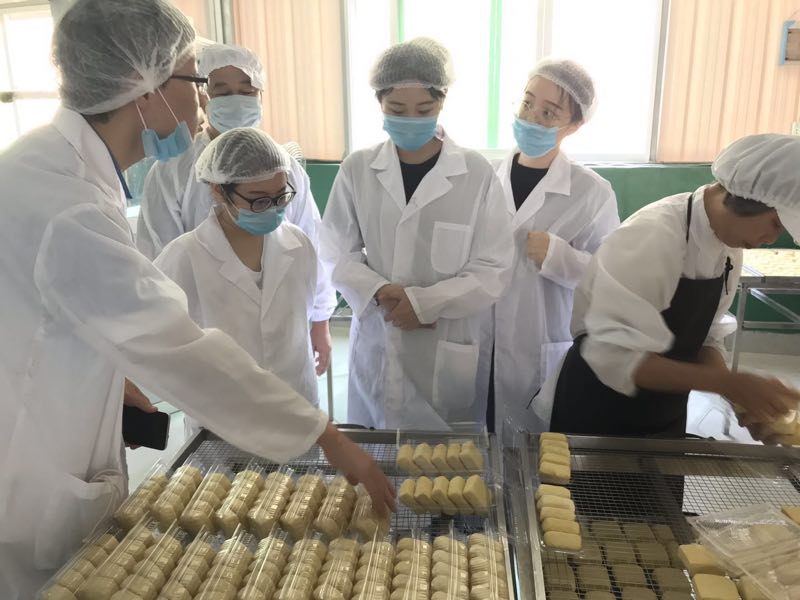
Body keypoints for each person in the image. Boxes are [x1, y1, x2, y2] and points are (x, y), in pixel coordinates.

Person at [0, 2, 392, 596]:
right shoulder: (69, 204)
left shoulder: (47, 168)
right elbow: (178, 345)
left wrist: (106, 376)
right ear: (145, 88)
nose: (203, 100)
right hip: (34, 462)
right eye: (195, 80)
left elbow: (50, 313)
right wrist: (328, 437)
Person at [539, 133, 800, 437]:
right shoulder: (654, 235)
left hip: (663, 413)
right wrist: (728, 383)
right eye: (775, 224)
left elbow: (707, 336)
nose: (771, 239)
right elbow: (612, 355)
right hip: (598, 411)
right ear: (746, 200)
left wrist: (743, 400)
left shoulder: (728, 247)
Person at [321, 37, 513, 430]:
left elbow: (493, 269)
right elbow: (334, 250)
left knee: (447, 462)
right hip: (379, 336)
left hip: (445, 345)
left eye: (423, 110)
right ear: (379, 103)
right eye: (396, 110)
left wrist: (426, 303)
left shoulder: (476, 174)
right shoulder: (358, 168)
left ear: (442, 101)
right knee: (374, 453)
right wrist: (379, 291)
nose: (410, 119)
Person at [136, 43, 336, 375]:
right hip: (208, 332)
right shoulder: (173, 170)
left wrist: (320, 320)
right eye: (223, 91)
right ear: (203, 96)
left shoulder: (284, 168)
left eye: (246, 90)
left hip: (288, 341)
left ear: (261, 95)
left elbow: (312, 243)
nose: (236, 100)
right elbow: (158, 257)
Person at [155, 128, 322, 438]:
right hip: (223, 421)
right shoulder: (184, 257)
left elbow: (307, 310)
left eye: (281, 196)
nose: (273, 209)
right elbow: (160, 343)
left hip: (297, 407)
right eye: (259, 201)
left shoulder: (298, 244)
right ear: (218, 191)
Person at [487, 59, 619, 436]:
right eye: (527, 103)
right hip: (478, 339)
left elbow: (610, 279)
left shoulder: (591, 192)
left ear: (574, 125)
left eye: (548, 113)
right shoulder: (484, 178)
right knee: (473, 448)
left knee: (533, 450)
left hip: (537, 343)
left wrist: (558, 256)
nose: (531, 118)